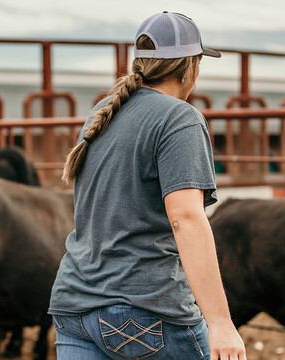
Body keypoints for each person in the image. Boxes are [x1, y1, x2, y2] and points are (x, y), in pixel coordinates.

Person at [48, 11, 247, 360]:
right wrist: (220, 322)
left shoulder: (102, 113)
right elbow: (185, 217)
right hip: (144, 310)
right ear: (189, 67)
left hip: (73, 306)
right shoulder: (179, 118)